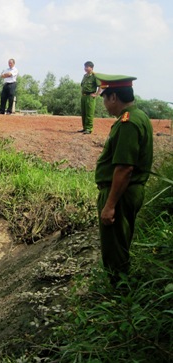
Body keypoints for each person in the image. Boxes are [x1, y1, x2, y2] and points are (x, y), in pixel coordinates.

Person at [94, 73, 153, 285]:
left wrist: (110, 205)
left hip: (119, 193)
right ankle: (121, 291)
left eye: (105, 97)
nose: (104, 103)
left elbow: (124, 168)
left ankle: (118, 293)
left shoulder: (128, 123)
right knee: (120, 243)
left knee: (114, 250)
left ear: (113, 97)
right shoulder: (139, 116)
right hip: (126, 192)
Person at [79, 61, 100, 134]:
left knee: (89, 113)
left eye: (87, 67)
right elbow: (82, 85)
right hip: (84, 96)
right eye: (85, 67)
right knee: (84, 112)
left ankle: (89, 128)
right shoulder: (85, 76)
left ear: (91, 68)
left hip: (90, 96)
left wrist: (96, 94)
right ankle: (84, 128)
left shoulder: (95, 76)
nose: (85, 68)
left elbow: (100, 86)